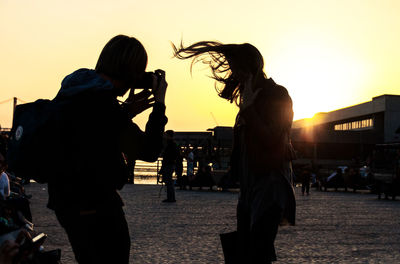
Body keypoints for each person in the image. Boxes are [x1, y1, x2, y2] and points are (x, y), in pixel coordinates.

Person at [47, 35, 168, 263]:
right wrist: (159, 104)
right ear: (130, 71)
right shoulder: (104, 105)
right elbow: (150, 151)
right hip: (94, 204)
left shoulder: (75, 90)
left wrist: (126, 112)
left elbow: (91, 132)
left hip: (64, 201)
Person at [174, 41, 296, 263]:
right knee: (245, 249)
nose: (234, 73)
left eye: (237, 68)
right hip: (250, 186)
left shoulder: (277, 94)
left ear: (253, 67)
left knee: (257, 251)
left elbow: (272, 138)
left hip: (270, 183)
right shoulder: (252, 95)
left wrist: (249, 109)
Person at [160, 130, 179, 202]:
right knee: (168, 182)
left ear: (168, 136)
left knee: (169, 182)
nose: (164, 136)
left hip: (169, 164)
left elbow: (170, 155)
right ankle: (170, 197)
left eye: (165, 135)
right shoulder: (171, 144)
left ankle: (171, 198)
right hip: (169, 164)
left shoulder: (171, 145)